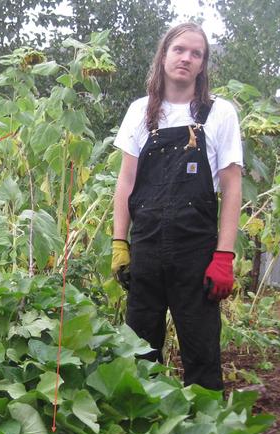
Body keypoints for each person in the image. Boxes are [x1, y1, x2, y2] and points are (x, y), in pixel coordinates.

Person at [111, 22, 243, 391]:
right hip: (147, 250)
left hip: (196, 255)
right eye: (179, 50)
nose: (186, 58)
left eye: (196, 53)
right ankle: (142, 430)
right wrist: (119, 243)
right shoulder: (140, 112)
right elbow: (126, 182)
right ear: (164, 55)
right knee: (138, 354)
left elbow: (232, 186)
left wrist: (225, 256)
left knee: (202, 354)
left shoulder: (219, 114)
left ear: (203, 65)